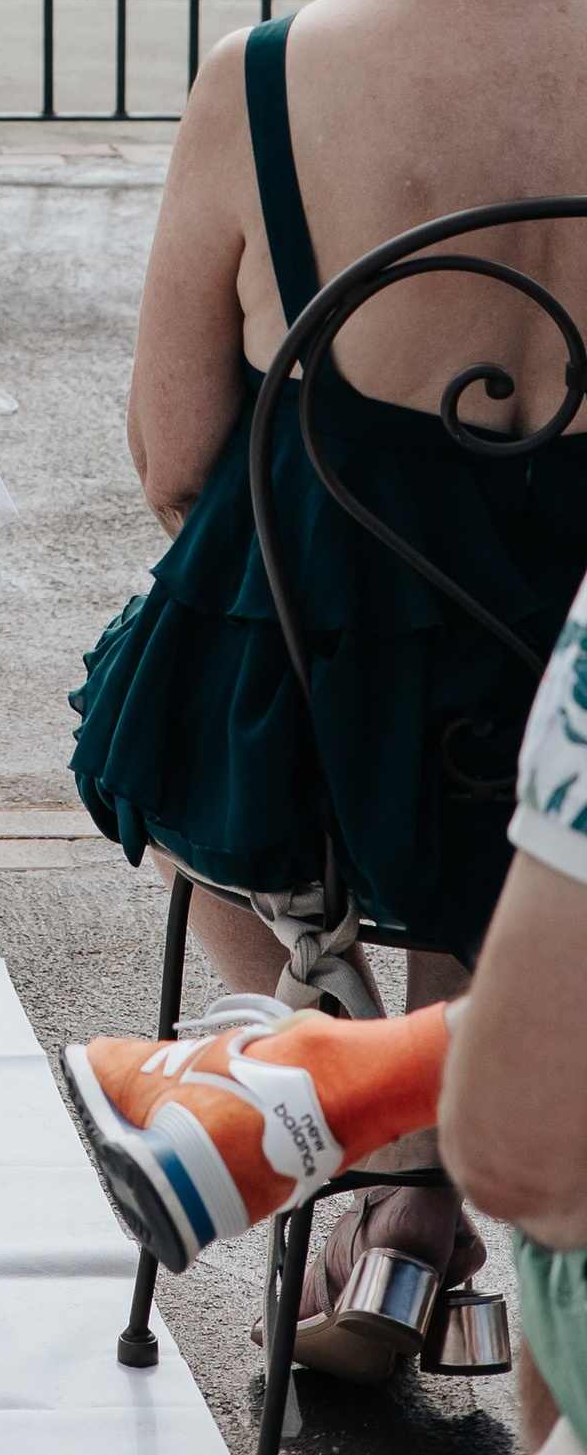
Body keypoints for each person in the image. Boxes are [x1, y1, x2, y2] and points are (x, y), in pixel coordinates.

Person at [70, 0, 587, 1379]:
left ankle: (279, 1080)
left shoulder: (268, 76)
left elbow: (172, 456)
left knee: (232, 624)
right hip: (575, 719)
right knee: (507, 724)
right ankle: (433, 1208)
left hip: (332, 713)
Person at [66, 543, 587, 1448]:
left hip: (327, 699)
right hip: (526, 652)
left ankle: (351, 1110)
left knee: (171, 710)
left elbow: (177, 469)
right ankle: (369, 1130)